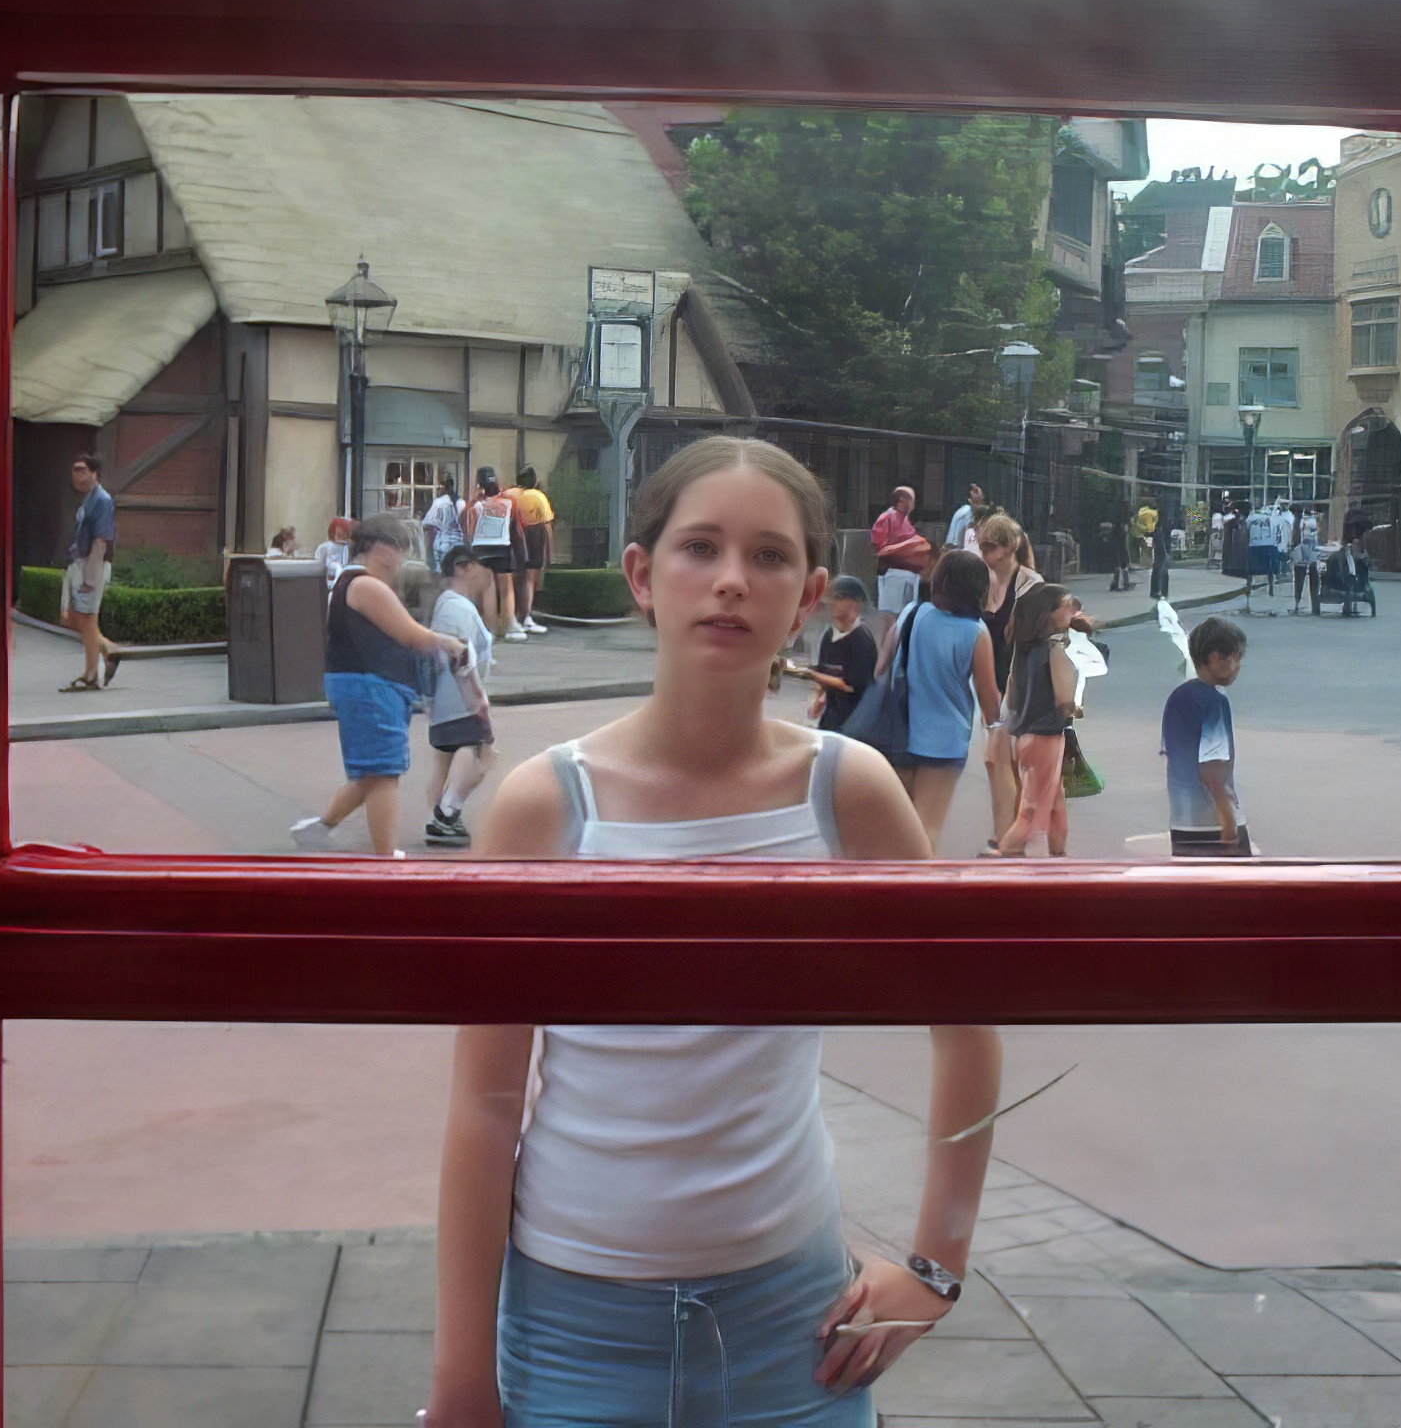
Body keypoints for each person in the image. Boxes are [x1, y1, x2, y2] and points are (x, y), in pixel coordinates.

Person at [425, 436, 1001, 1427]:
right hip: (573, 1323)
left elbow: (968, 1027)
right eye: (701, 547)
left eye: (769, 556)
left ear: (811, 592)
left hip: (795, 1325)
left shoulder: (845, 790)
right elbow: (484, 1105)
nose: (733, 580)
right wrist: (461, 1377)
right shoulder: (547, 807)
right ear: (644, 575)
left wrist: (936, 1269)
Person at [292, 515, 468, 856]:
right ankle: (386, 856)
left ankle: (318, 829)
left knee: (369, 776)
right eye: (401, 552)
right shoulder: (367, 586)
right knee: (384, 774)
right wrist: (452, 643)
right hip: (372, 688)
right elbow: (412, 635)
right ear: (385, 550)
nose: (401, 562)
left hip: (361, 686)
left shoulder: (348, 581)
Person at [880, 548, 1001, 850]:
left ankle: (889, 890)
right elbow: (988, 696)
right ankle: (915, 892)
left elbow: (881, 666)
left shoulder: (912, 612)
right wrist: (999, 729)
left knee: (897, 828)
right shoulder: (975, 633)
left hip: (899, 733)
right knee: (926, 829)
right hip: (944, 743)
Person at [990, 581, 1078, 857]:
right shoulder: (1053, 651)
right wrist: (1075, 706)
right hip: (1046, 738)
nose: (1072, 610)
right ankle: (1005, 855)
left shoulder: (1023, 651)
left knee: (1055, 800)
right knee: (1032, 810)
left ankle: (1059, 857)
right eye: (1066, 605)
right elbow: (1065, 701)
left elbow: (1013, 697)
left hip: (1024, 735)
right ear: (1048, 614)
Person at [423, 547, 498, 849]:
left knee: (451, 760)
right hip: (457, 699)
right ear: (463, 568)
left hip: (445, 700)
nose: (488, 575)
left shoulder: (452, 605)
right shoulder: (457, 607)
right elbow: (459, 654)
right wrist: (475, 696)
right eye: (483, 567)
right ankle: (446, 813)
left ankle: (446, 814)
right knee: (479, 751)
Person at [976, 514, 1041, 851]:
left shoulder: (1029, 582)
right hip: (991, 686)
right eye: (982, 546)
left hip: (1021, 686)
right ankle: (1012, 835)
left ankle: (1007, 839)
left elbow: (1038, 641)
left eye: (992, 547)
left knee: (999, 762)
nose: (986, 553)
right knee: (1005, 766)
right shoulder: (983, 580)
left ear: (1010, 547)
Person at [1163, 616, 1249, 856]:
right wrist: (1229, 823)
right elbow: (1211, 772)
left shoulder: (1178, 697)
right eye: (1236, 658)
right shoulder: (1214, 703)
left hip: (1181, 818)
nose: (1238, 666)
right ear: (1214, 658)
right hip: (1213, 823)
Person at [60, 454, 123, 692]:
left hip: (91, 564)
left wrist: (89, 578)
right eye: (75, 470)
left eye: (82, 470)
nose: (77, 475)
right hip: (81, 563)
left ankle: (91, 675)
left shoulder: (101, 501)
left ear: (95, 473)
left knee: (86, 621)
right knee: (78, 618)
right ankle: (109, 650)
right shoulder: (89, 500)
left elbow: (100, 541)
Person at [801, 576, 877, 733]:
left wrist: (809, 673)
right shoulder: (828, 636)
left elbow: (849, 686)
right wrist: (819, 699)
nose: (833, 604)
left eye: (839, 598)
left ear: (856, 602)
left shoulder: (861, 640)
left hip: (853, 726)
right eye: (831, 599)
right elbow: (825, 676)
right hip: (830, 722)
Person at [467, 467, 528, 639]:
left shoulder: (475, 504)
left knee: (487, 588)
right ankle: (509, 625)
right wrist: (521, 552)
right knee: (506, 588)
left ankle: (489, 628)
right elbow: (516, 528)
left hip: (480, 546)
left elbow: (467, 527)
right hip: (502, 545)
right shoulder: (509, 501)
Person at [870, 485, 930, 615]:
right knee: (891, 616)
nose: (913, 504)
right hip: (892, 575)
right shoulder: (886, 518)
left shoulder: (904, 519)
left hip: (910, 575)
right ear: (902, 500)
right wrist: (909, 545)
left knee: (906, 615)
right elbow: (881, 549)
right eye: (911, 500)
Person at [511, 467, 555, 636]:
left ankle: (512, 616)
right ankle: (527, 617)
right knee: (530, 579)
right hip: (535, 534)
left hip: (515, 534)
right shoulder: (538, 497)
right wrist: (550, 549)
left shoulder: (513, 496)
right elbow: (547, 524)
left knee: (515, 579)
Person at [423, 476, 466, 564]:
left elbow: (427, 523)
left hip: (443, 541)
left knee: (442, 571)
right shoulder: (462, 503)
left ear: (443, 487)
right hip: (459, 542)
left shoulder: (438, 502)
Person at [1243, 498, 1282, 595]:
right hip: (1268, 544)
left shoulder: (1251, 517)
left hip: (1254, 545)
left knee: (1250, 567)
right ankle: (1271, 584)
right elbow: (1277, 532)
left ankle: (1249, 585)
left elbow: (1246, 531)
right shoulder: (1272, 518)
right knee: (1270, 567)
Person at [1290, 505, 1322, 614]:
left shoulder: (1298, 522)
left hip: (1301, 554)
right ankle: (1315, 606)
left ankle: (1297, 605)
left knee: (1299, 580)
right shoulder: (1313, 521)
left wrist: (1292, 549)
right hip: (1312, 553)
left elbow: (1296, 538)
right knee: (1314, 580)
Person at [313, 516, 354, 591]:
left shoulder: (350, 547)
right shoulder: (324, 548)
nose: (340, 538)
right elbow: (318, 567)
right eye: (338, 535)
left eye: (343, 535)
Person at [945, 482, 986, 553]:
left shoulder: (978, 513)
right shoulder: (965, 512)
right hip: (954, 552)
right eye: (977, 503)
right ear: (969, 500)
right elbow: (958, 543)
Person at [1148, 498, 1174, 601]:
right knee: (1162, 567)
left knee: (1159, 567)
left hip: (1160, 538)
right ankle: (1161, 590)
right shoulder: (1163, 518)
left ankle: (1158, 590)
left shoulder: (1157, 518)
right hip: (1162, 539)